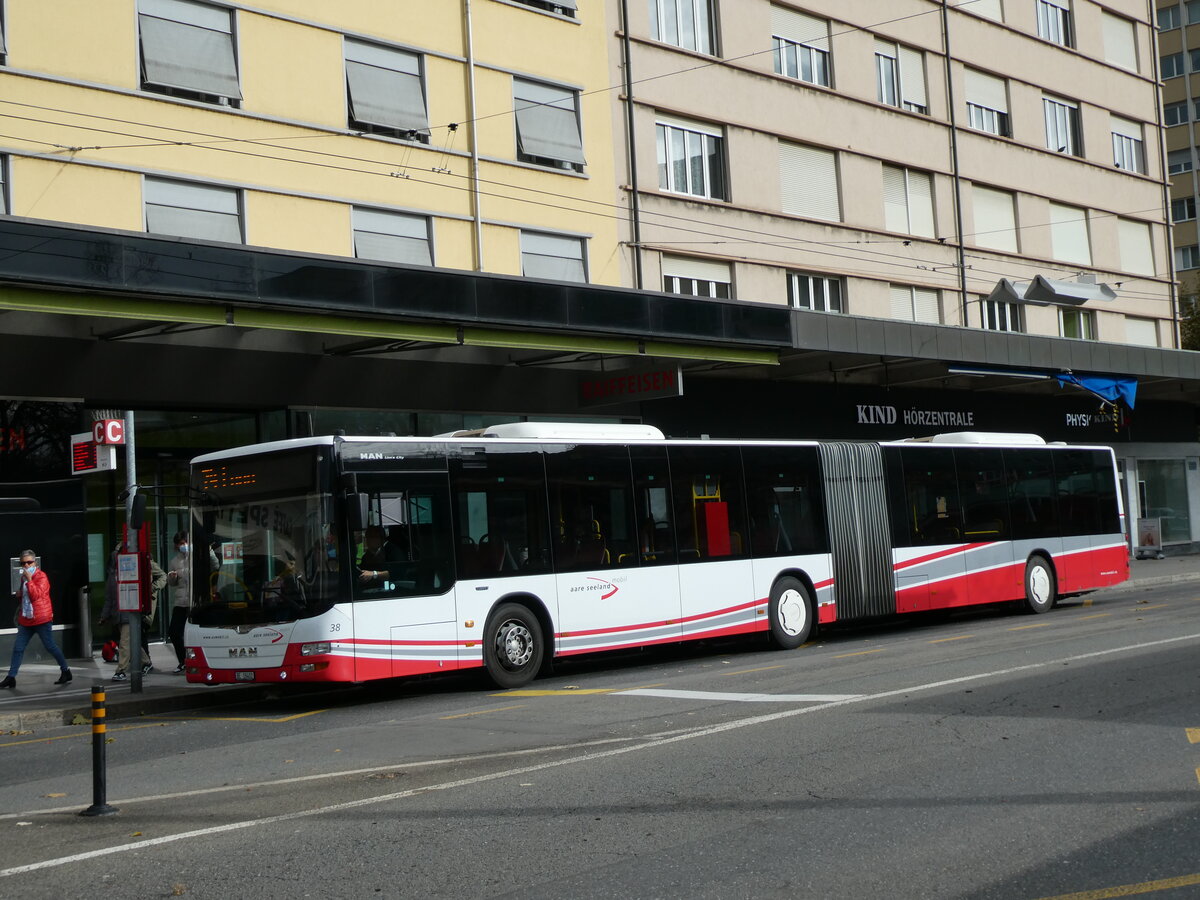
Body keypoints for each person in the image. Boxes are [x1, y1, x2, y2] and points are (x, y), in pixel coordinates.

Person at [1, 549, 71, 688]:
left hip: (41, 618)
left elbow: (36, 595)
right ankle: (11, 677)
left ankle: (66, 671)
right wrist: (20, 594)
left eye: (29, 562)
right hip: (27, 618)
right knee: (18, 648)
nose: (26, 565)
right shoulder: (24, 578)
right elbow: (26, 597)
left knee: (50, 646)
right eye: (23, 563)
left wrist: (30, 580)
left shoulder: (41, 577)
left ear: (35, 563)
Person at [100, 545, 167, 682]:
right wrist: (104, 615)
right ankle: (146, 662)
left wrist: (152, 588)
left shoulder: (136, 567)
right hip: (118, 613)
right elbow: (109, 598)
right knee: (131, 641)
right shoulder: (112, 576)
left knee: (125, 642)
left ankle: (121, 670)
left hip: (130, 612)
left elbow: (160, 577)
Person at [166, 532, 191, 674]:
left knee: (193, 633)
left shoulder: (197, 556)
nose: (183, 546)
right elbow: (171, 583)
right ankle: (183, 661)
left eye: (185, 543)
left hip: (194, 602)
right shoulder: (175, 561)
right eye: (180, 544)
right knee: (174, 632)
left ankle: (194, 660)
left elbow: (214, 565)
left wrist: (209, 551)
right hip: (181, 601)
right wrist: (172, 577)